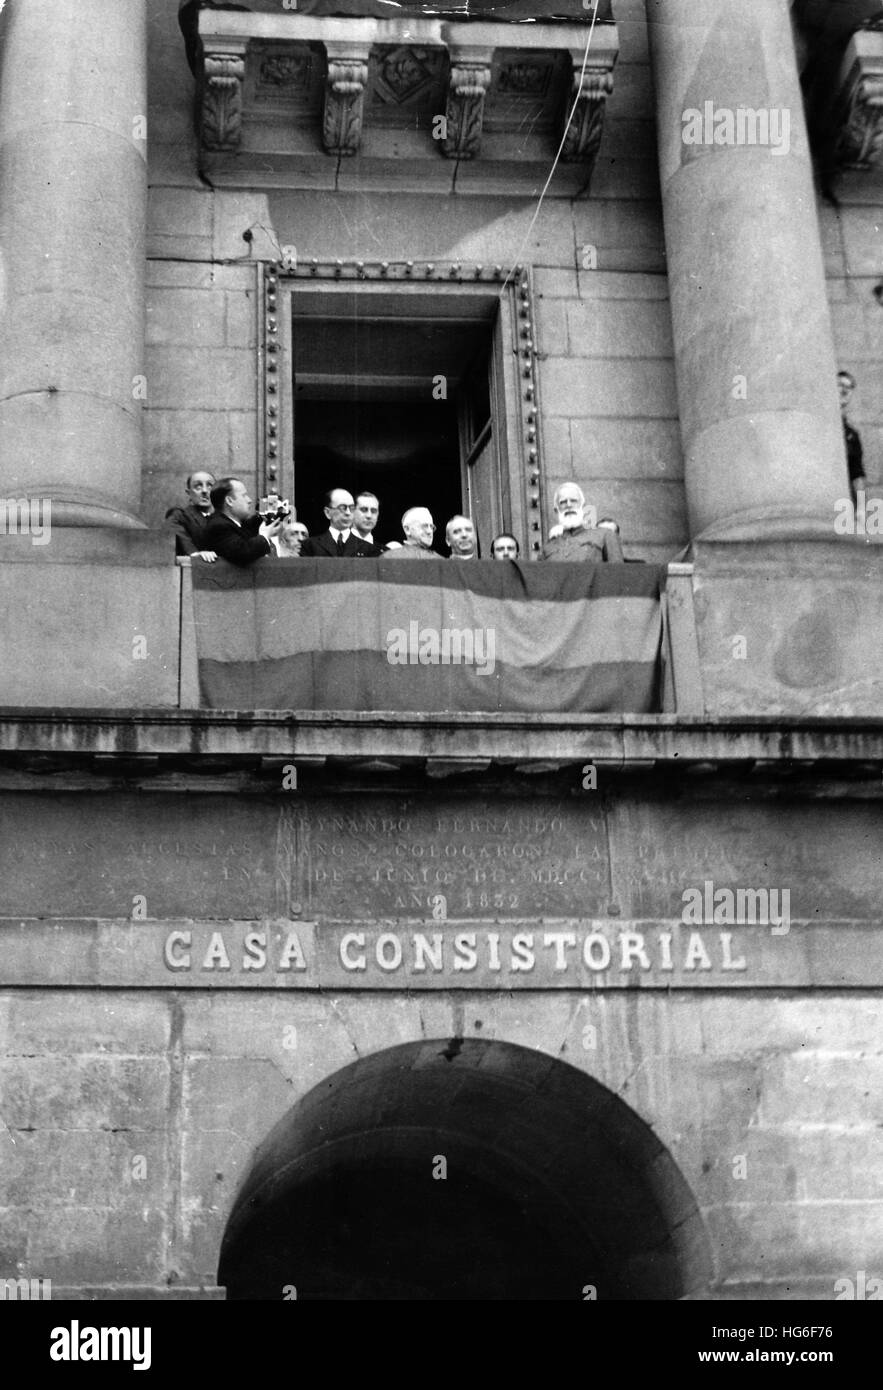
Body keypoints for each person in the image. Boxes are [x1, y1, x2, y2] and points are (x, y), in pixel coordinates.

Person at [204, 478, 282, 565]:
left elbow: (252, 525)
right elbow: (242, 553)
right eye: (244, 495)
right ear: (229, 501)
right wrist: (264, 536)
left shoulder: (237, 523)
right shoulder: (218, 526)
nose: (249, 500)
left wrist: (271, 508)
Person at [540, 483, 623, 562]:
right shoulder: (548, 547)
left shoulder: (605, 535)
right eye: (563, 502)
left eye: (573, 501)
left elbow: (617, 572)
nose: (568, 505)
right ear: (556, 510)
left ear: (583, 506)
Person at [301, 489, 381, 557]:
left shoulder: (368, 548)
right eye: (343, 508)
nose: (348, 513)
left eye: (351, 508)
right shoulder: (310, 545)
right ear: (328, 513)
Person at [164, 470, 218, 560]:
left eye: (209, 486)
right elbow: (173, 529)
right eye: (198, 486)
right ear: (189, 493)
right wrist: (195, 553)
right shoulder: (180, 515)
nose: (204, 491)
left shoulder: (223, 517)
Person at [838, 370, 867, 503]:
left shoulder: (851, 435)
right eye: (839, 384)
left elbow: (857, 475)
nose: (844, 390)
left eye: (848, 387)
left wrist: (862, 508)